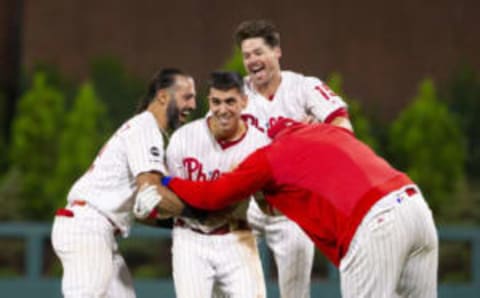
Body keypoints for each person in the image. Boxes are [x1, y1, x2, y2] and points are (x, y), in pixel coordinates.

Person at [136, 118, 439, 298]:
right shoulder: (325, 131)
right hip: (413, 205)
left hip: (375, 225)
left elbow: (214, 196)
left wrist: (165, 178)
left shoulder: (268, 155)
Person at [51, 68, 196, 298]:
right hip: (88, 227)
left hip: (97, 228)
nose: (193, 105)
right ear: (163, 96)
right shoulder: (145, 126)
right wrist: (196, 214)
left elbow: (145, 208)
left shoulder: (146, 129)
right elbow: (152, 189)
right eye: (187, 96)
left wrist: (174, 217)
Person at [235, 19, 353, 298]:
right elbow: (212, 140)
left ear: (277, 51)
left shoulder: (304, 87)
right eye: (247, 55)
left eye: (258, 52)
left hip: (293, 207)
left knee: (295, 294)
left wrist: (314, 133)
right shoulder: (235, 94)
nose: (252, 60)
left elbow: (344, 129)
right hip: (249, 202)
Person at [165, 71, 268, 298]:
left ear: (244, 101)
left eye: (230, 101)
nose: (222, 109)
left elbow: (267, 202)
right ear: (209, 101)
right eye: (216, 102)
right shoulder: (184, 138)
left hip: (237, 237)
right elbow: (168, 192)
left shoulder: (260, 144)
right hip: (190, 238)